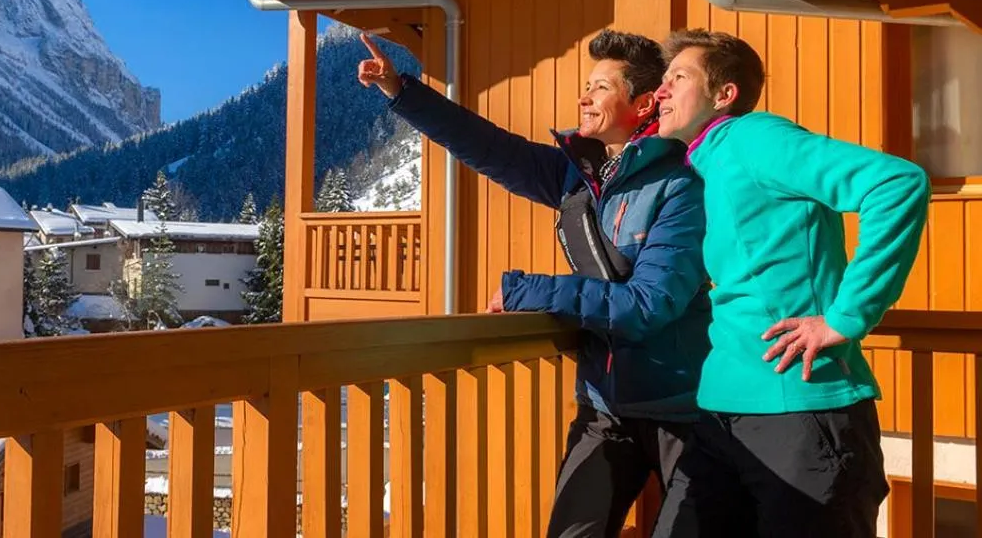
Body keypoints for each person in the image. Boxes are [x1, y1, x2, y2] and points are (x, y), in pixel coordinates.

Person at [358, 29, 711, 538]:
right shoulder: (579, 176)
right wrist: (400, 90)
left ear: (642, 105)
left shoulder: (679, 186)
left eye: (601, 88)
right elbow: (488, 146)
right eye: (586, 86)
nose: (584, 98)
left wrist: (529, 290)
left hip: (682, 407)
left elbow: (648, 305)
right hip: (605, 406)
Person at [651, 29, 931, 538]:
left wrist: (847, 316)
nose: (661, 90)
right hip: (722, 411)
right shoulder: (711, 160)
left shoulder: (754, 138)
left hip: (801, 411)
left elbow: (896, 183)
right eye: (663, 79)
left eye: (679, 77)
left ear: (724, 94)